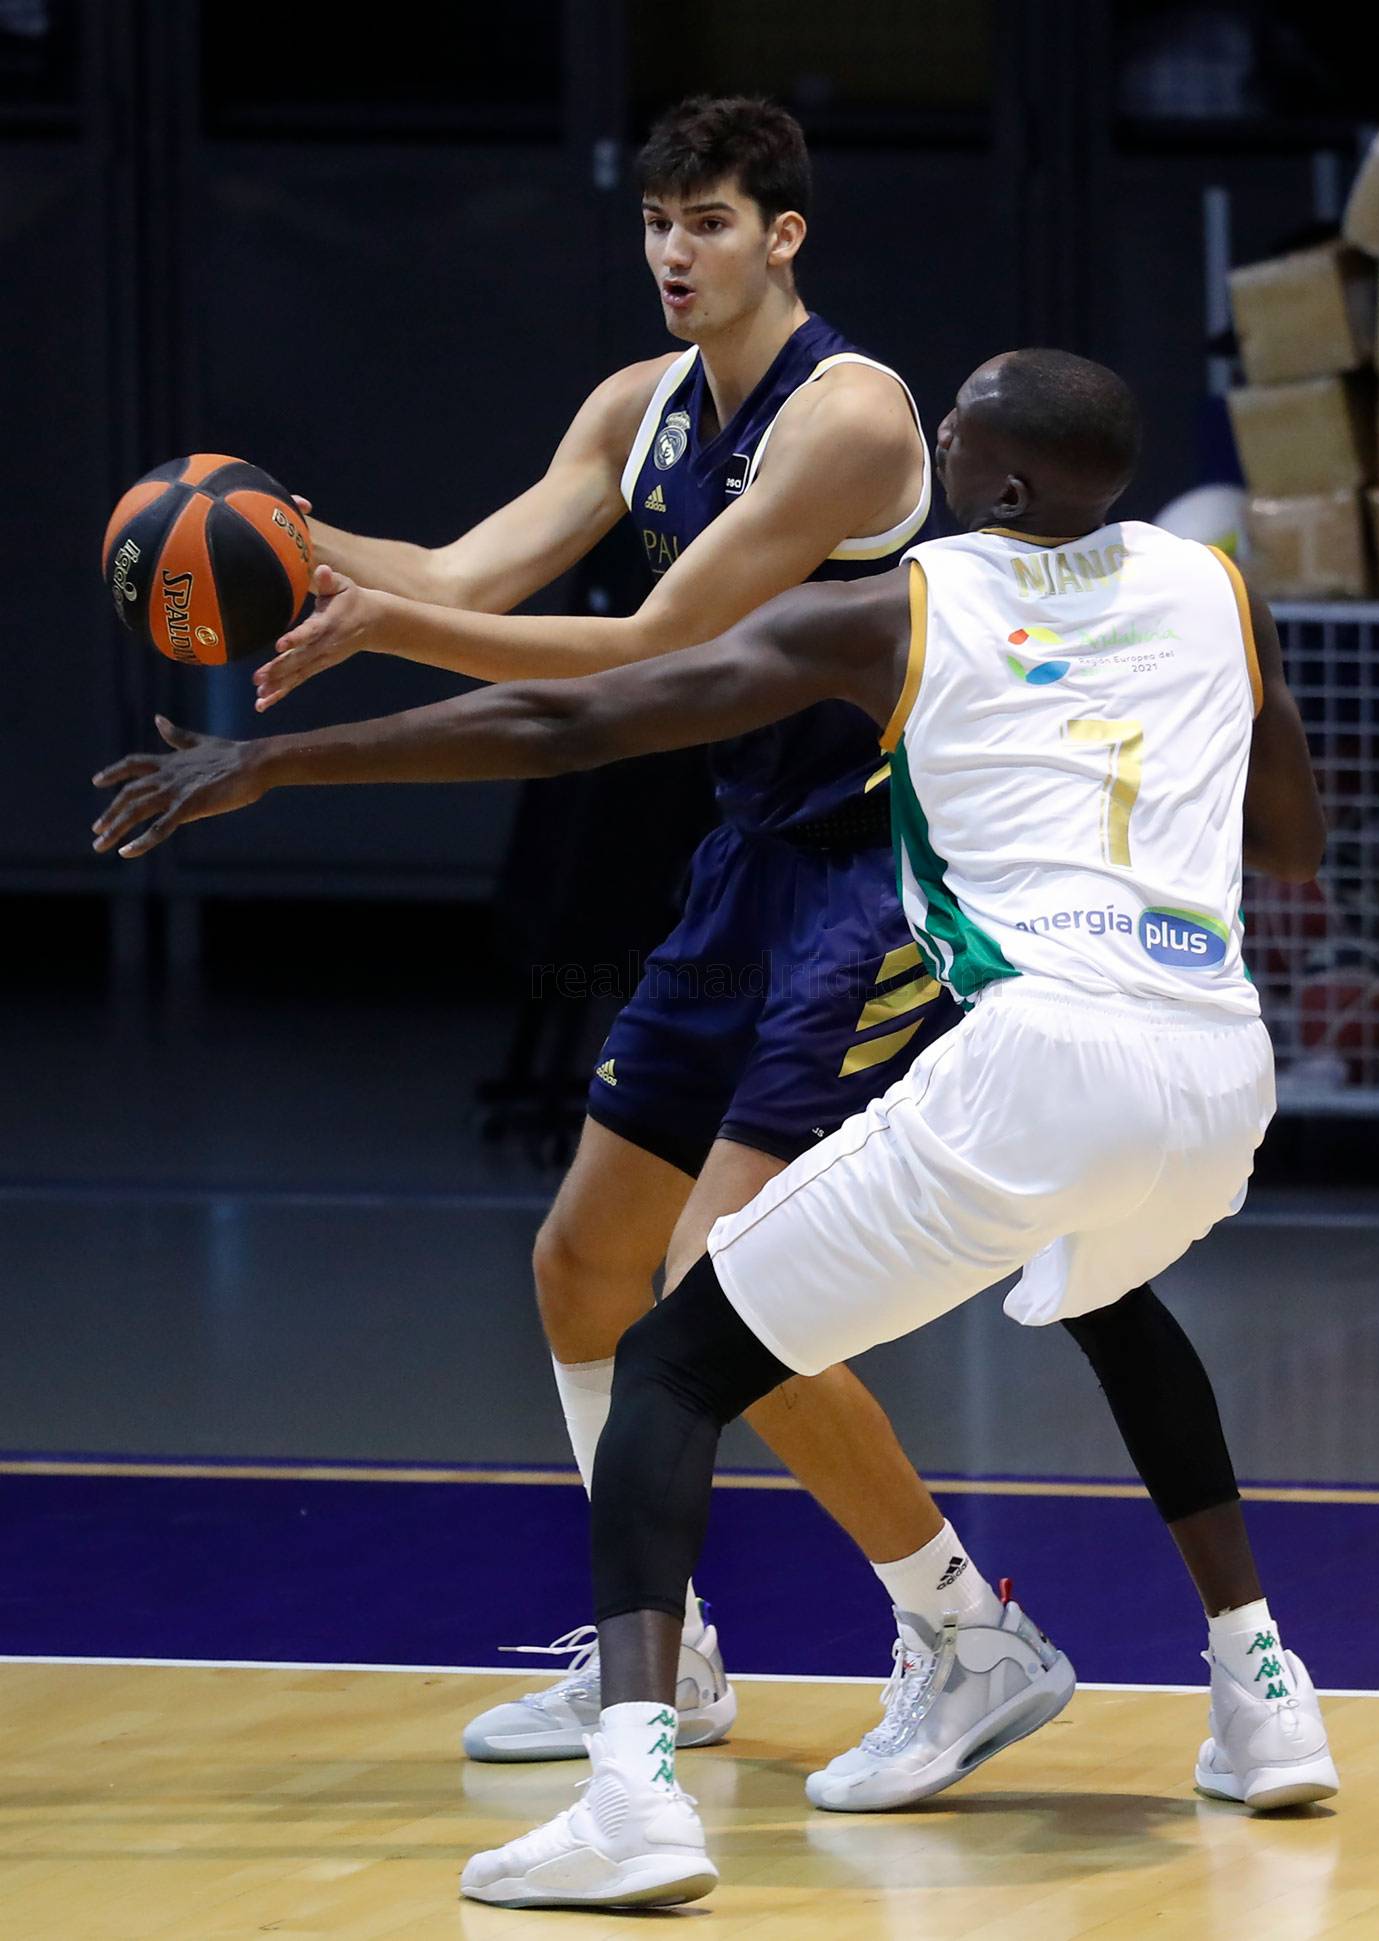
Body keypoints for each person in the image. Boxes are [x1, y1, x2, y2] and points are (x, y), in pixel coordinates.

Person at [157, 94, 1296, 1812]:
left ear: (785, 236)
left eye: (707, 221)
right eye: (655, 223)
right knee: (580, 1260)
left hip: (874, 880)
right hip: (741, 860)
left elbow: (645, 642)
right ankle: (666, 1654)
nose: (674, 252)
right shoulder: (638, 406)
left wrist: (386, 638)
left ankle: (960, 1629)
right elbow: (478, 562)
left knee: (722, 1270)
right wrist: (292, 544)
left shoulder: (850, 421)